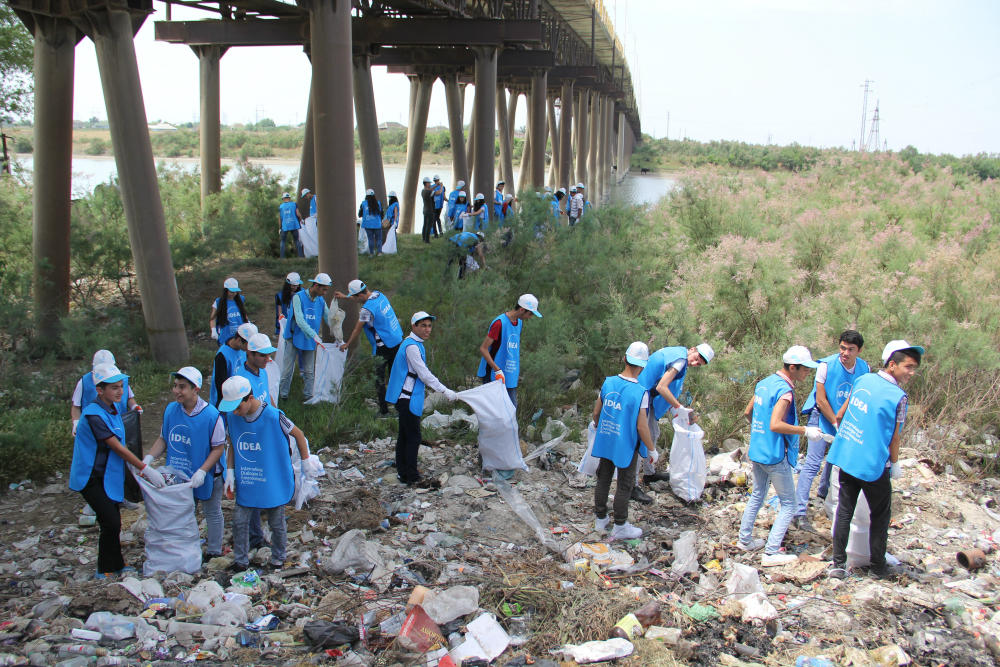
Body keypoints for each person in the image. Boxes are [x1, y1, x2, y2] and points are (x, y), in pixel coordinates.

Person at [827, 340, 922, 579]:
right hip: (874, 466)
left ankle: (838, 565)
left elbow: (841, 413)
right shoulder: (898, 397)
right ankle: (878, 567)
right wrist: (896, 463)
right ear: (892, 364)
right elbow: (895, 437)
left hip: (848, 458)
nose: (911, 373)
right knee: (880, 516)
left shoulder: (863, 379)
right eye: (908, 367)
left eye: (914, 368)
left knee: (844, 511)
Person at [69, 364, 165, 578]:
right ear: (100, 390)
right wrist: (145, 468)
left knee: (114, 520)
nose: (120, 391)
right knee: (110, 521)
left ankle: (117, 565)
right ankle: (104, 569)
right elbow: (117, 446)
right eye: (114, 388)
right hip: (91, 476)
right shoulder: (93, 415)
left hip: (106, 475)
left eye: (121, 386)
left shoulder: (111, 409)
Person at [219, 376, 315, 571]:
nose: (236, 413)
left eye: (238, 407)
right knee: (239, 521)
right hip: (248, 477)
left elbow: (298, 434)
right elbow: (232, 443)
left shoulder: (273, 415)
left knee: (276, 522)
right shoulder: (233, 417)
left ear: (250, 398)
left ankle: (278, 558)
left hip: (272, 478)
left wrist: (306, 462)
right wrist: (229, 472)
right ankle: (241, 560)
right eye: (232, 409)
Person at [738, 345, 823, 565]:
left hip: (757, 451)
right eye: (805, 369)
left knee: (758, 494)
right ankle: (771, 552)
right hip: (775, 455)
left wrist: (760, 433)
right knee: (789, 504)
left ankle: (744, 539)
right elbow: (776, 424)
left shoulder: (764, 384)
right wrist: (805, 431)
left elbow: (749, 413)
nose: (808, 373)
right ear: (793, 367)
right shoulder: (785, 391)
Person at [142, 367, 226, 560]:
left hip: (208, 474)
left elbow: (218, 448)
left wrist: (203, 471)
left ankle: (214, 550)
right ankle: (184, 548)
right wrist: (148, 460)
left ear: (195, 389)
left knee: (212, 511)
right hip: (181, 474)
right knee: (183, 512)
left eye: (182, 387)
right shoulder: (171, 411)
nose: (177, 391)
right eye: (175, 386)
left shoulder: (211, 416)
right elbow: (164, 438)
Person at [794, 330, 870, 532]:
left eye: (850, 349)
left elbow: (858, 396)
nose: (845, 353)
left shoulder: (864, 368)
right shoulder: (826, 366)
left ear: (859, 351)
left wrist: (845, 421)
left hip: (845, 419)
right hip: (822, 416)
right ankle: (799, 511)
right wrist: (835, 423)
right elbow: (820, 399)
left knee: (835, 460)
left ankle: (824, 493)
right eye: (842, 348)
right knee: (812, 462)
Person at [633, 343, 715, 503]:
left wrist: (677, 410)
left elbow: (668, 387)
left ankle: (649, 474)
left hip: (644, 395)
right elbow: (662, 386)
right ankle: (631, 486)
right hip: (640, 396)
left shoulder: (676, 354)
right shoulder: (680, 360)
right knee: (640, 440)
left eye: (699, 364)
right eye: (697, 358)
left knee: (653, 433)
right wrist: (679, 407)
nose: (695, 363)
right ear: (693, 349)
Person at [385, 311, 459, 486]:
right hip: (407, 398)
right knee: (413, 437)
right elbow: (424, 374)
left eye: (429, 325)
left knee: (404, 435)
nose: (427, 329)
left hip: (407, 397)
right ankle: (410, 475)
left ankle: (403, 472)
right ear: (414, 327)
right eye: (423, 325)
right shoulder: (411, 346)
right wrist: (445, 390)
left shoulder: (415, 344)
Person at [591, 342, 655, 541]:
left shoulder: (608, 383)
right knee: (625, 484)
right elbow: (642, 426)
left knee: (603, 477)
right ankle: (620, 525)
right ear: (643, 367)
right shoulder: (641, 392)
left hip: (607, 439)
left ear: (624, 359)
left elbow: (596, 412)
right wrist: (652, 450)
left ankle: (600, 518)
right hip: (625, 445)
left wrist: (596, 425)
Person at [335, 279, 404, 415]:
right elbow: (360, 296)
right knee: (395, 375)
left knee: (379, 379)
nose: (354, 301)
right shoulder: (379, 295)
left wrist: (347, 344)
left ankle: (384, 412)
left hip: (384, 345)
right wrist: (345, 296)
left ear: (359, 296)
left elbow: (357, 329)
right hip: (396, 338)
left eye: (354, 298)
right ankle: (400, 407)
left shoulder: (366, 310)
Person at [279, 273, 338, 402]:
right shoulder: (298, 297)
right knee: (287, 370)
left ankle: (308, 396)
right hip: (293, 336)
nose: (325, 293)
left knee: (309, 371)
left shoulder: (320, 301)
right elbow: (299, 320)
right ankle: (283, 396)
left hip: (310, 339)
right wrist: (314, 335)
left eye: (327, 290)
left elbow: (328, 318)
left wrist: (338, 335)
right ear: (316, 285)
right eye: (323, 289)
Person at [476, 294, 542, 408]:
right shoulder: (499, 323)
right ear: (522, 310)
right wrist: (497, 370)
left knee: (511, 407)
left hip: (509, 374)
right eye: (530, 314)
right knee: (493, 408)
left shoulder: (519, 323)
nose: (530, 317)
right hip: (493, 374)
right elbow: (483, 348)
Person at [72, 349, 139, 436]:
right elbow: (76, 406)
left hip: (119, 424)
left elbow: (129, 398)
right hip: (94, 427)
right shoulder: (84, 382)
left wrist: (134, 406)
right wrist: (76, 423)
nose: (120, 390)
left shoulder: (122, 380)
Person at [210, 322, 257, 408]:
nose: (250, 348)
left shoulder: (242, 349)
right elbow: (220, 386)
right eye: (248, 345)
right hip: (226, 401)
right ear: (239, 340)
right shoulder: (222, 356)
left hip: (239, 396)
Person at [209, 277, 249, 346]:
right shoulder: (218, 302)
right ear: (226, 291)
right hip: (226, 334)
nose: (234, 293)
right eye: (231, 292)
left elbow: (243, 313)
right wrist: (213, 330)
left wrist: (248, 323)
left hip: (240, 334)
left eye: (236, 291)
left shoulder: (241, 299)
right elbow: (213, 318)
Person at [274, 272, 303, 336]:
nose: (295, 287)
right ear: (288, 285)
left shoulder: (303, 294)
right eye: (293, 285)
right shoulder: (280, 296)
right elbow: (280, 314)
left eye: (297, 285)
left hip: (299, 325)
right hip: (286, 324)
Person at [358, 189, 384, 257]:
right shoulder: (378, 203)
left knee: (370, 239)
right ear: (374, 195)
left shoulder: (363, 203)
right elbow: (381, 213)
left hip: (367, 224)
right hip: (377, 224)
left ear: (366, 196)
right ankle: (379, 253)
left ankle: (371, 253)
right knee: (379, 239)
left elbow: (360, 214)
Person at [279, 192, 303, 258]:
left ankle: (282, 258)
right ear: (289, 198)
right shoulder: (294, 204)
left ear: (283, 199)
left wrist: (279, 228)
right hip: (294, 225)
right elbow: (298, 214)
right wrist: (301, 220)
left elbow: (280, 218)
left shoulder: (281, 207)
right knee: (297, 241)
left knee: (283, 241)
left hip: (285, 226)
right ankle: (301, 257)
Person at [421, 176, 436, 243]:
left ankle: (423, 238)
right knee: (429, 226)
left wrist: (436, 185)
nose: (430, 184)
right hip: (430, 210)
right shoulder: (428, 192)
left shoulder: (423, 191)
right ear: (426, 183)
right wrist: (441, 187)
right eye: (429, 183)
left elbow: (431, 189)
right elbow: (438, 192)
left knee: (425, 225)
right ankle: (427, 240)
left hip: (425, 210)